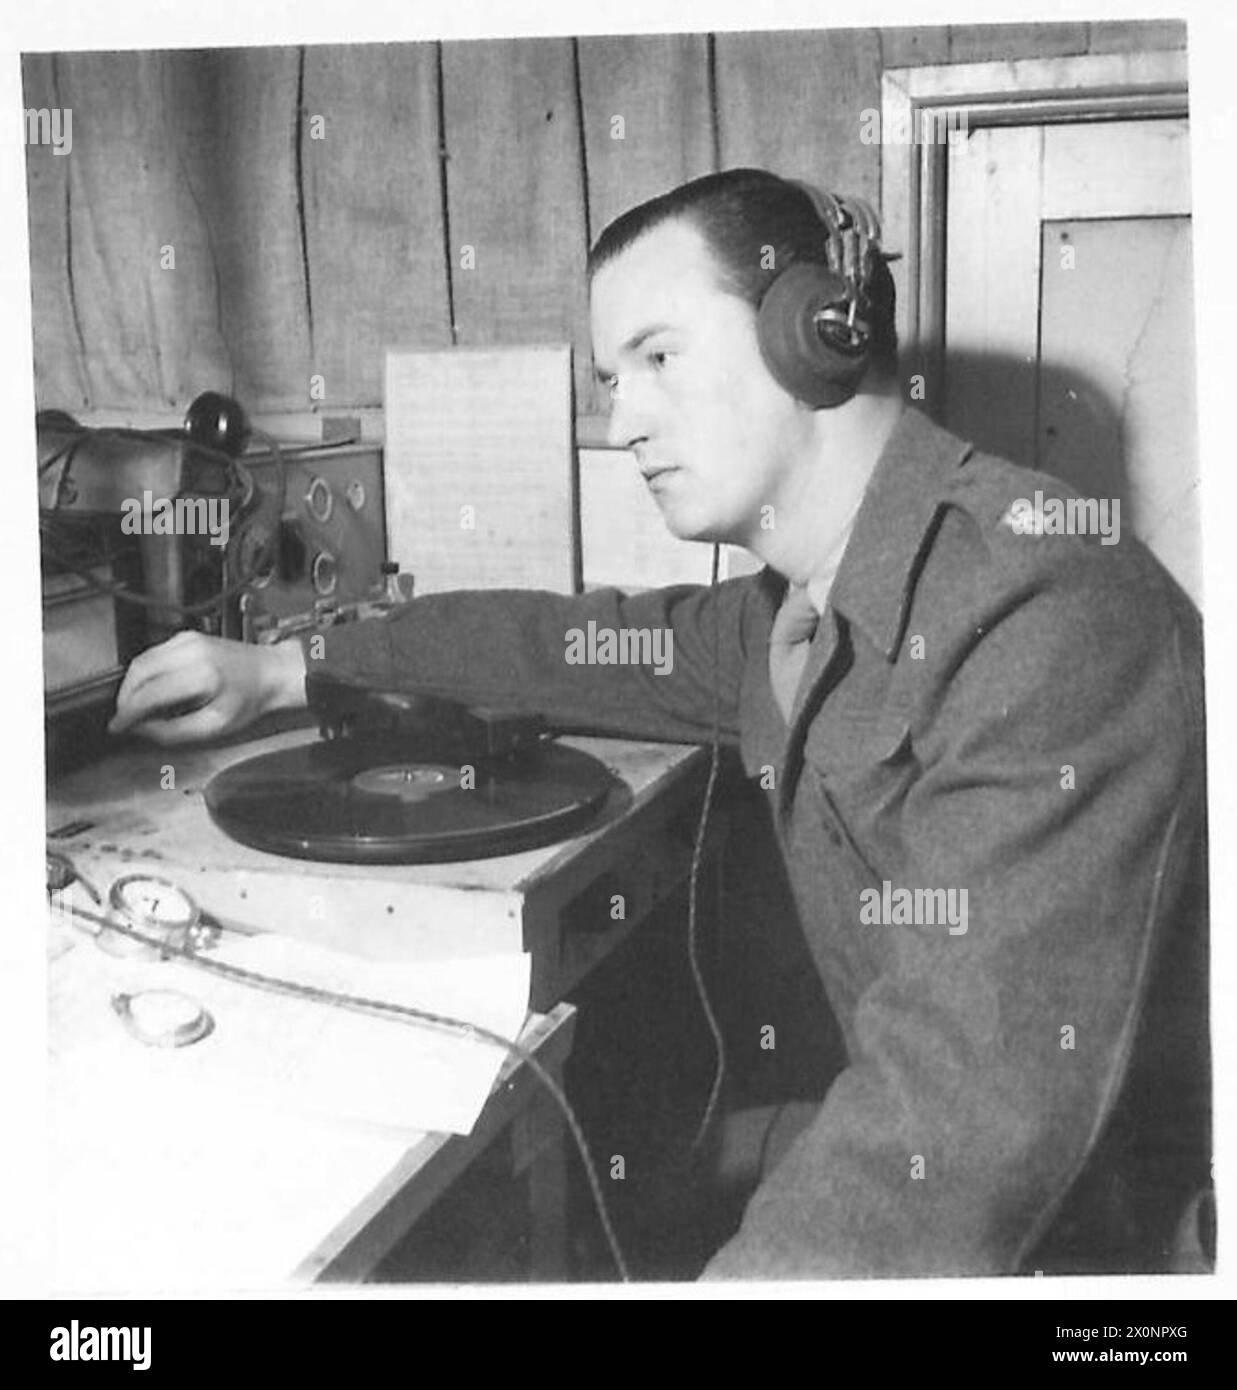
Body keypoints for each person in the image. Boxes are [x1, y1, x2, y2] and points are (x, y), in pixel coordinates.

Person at [109, 168, 1211, 1279]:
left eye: (659, 359)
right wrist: (292, 668)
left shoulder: (1052, 614)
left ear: (814, 336)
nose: (622, 421)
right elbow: (559, 643)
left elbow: (961, 1131)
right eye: (608, 378)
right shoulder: (791, 609)